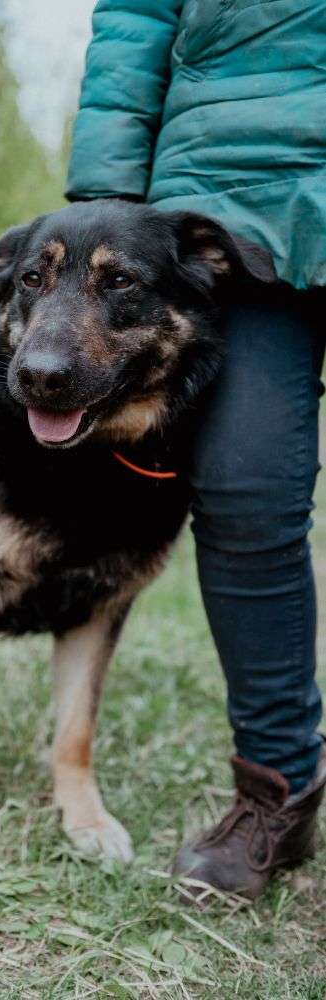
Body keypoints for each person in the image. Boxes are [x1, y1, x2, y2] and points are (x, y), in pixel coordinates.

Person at [67, 0, 326, 899]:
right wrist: (107, 201)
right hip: (228, 197)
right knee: (244, 487)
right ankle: (277, 793)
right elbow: (136, 18)